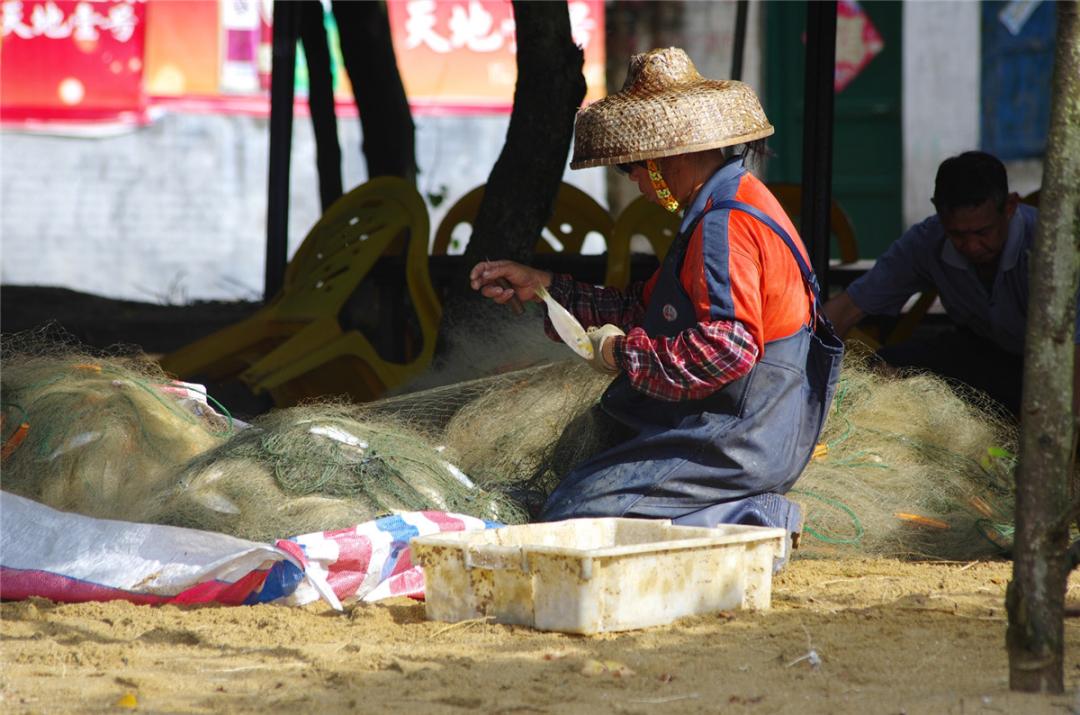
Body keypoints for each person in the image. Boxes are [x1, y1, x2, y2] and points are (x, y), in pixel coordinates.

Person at [470, 48, 843, 542]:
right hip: (744, 427)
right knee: (574, 489)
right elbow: (640, 310)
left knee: (573, 517)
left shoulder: (723, 225)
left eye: (634, 168)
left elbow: (726, 350)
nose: (636, 182)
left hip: (739, 437)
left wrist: (620, 353)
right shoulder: (729, 203)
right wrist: (546, 288)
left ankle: (748, 518)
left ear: (672, 154)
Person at [823, 151, 1080, 418]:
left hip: (1056, 368)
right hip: (985, 353)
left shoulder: (1050, 247)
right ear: (937, 211)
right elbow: (845, 309)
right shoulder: (927, 241)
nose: (971, 246)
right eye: (957, 234)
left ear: (1010, 207)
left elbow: (1075, 351)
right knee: (884, 367)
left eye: (983, 232)